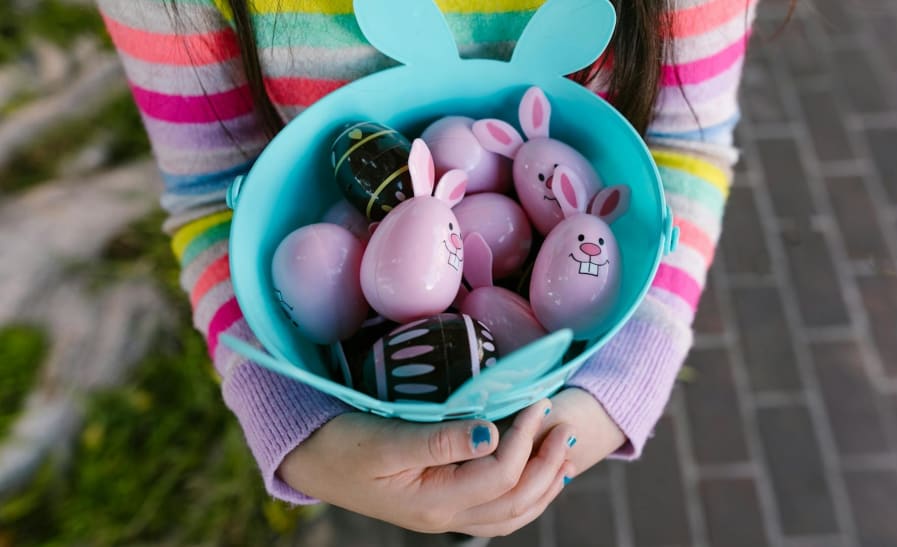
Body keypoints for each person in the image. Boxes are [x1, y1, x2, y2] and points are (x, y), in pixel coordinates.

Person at [95, 0, 758, 539]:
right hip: (355, 395)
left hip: (563, 384)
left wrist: (612, 391)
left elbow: (684, 147)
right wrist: (306, 430)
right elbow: (214, 191)